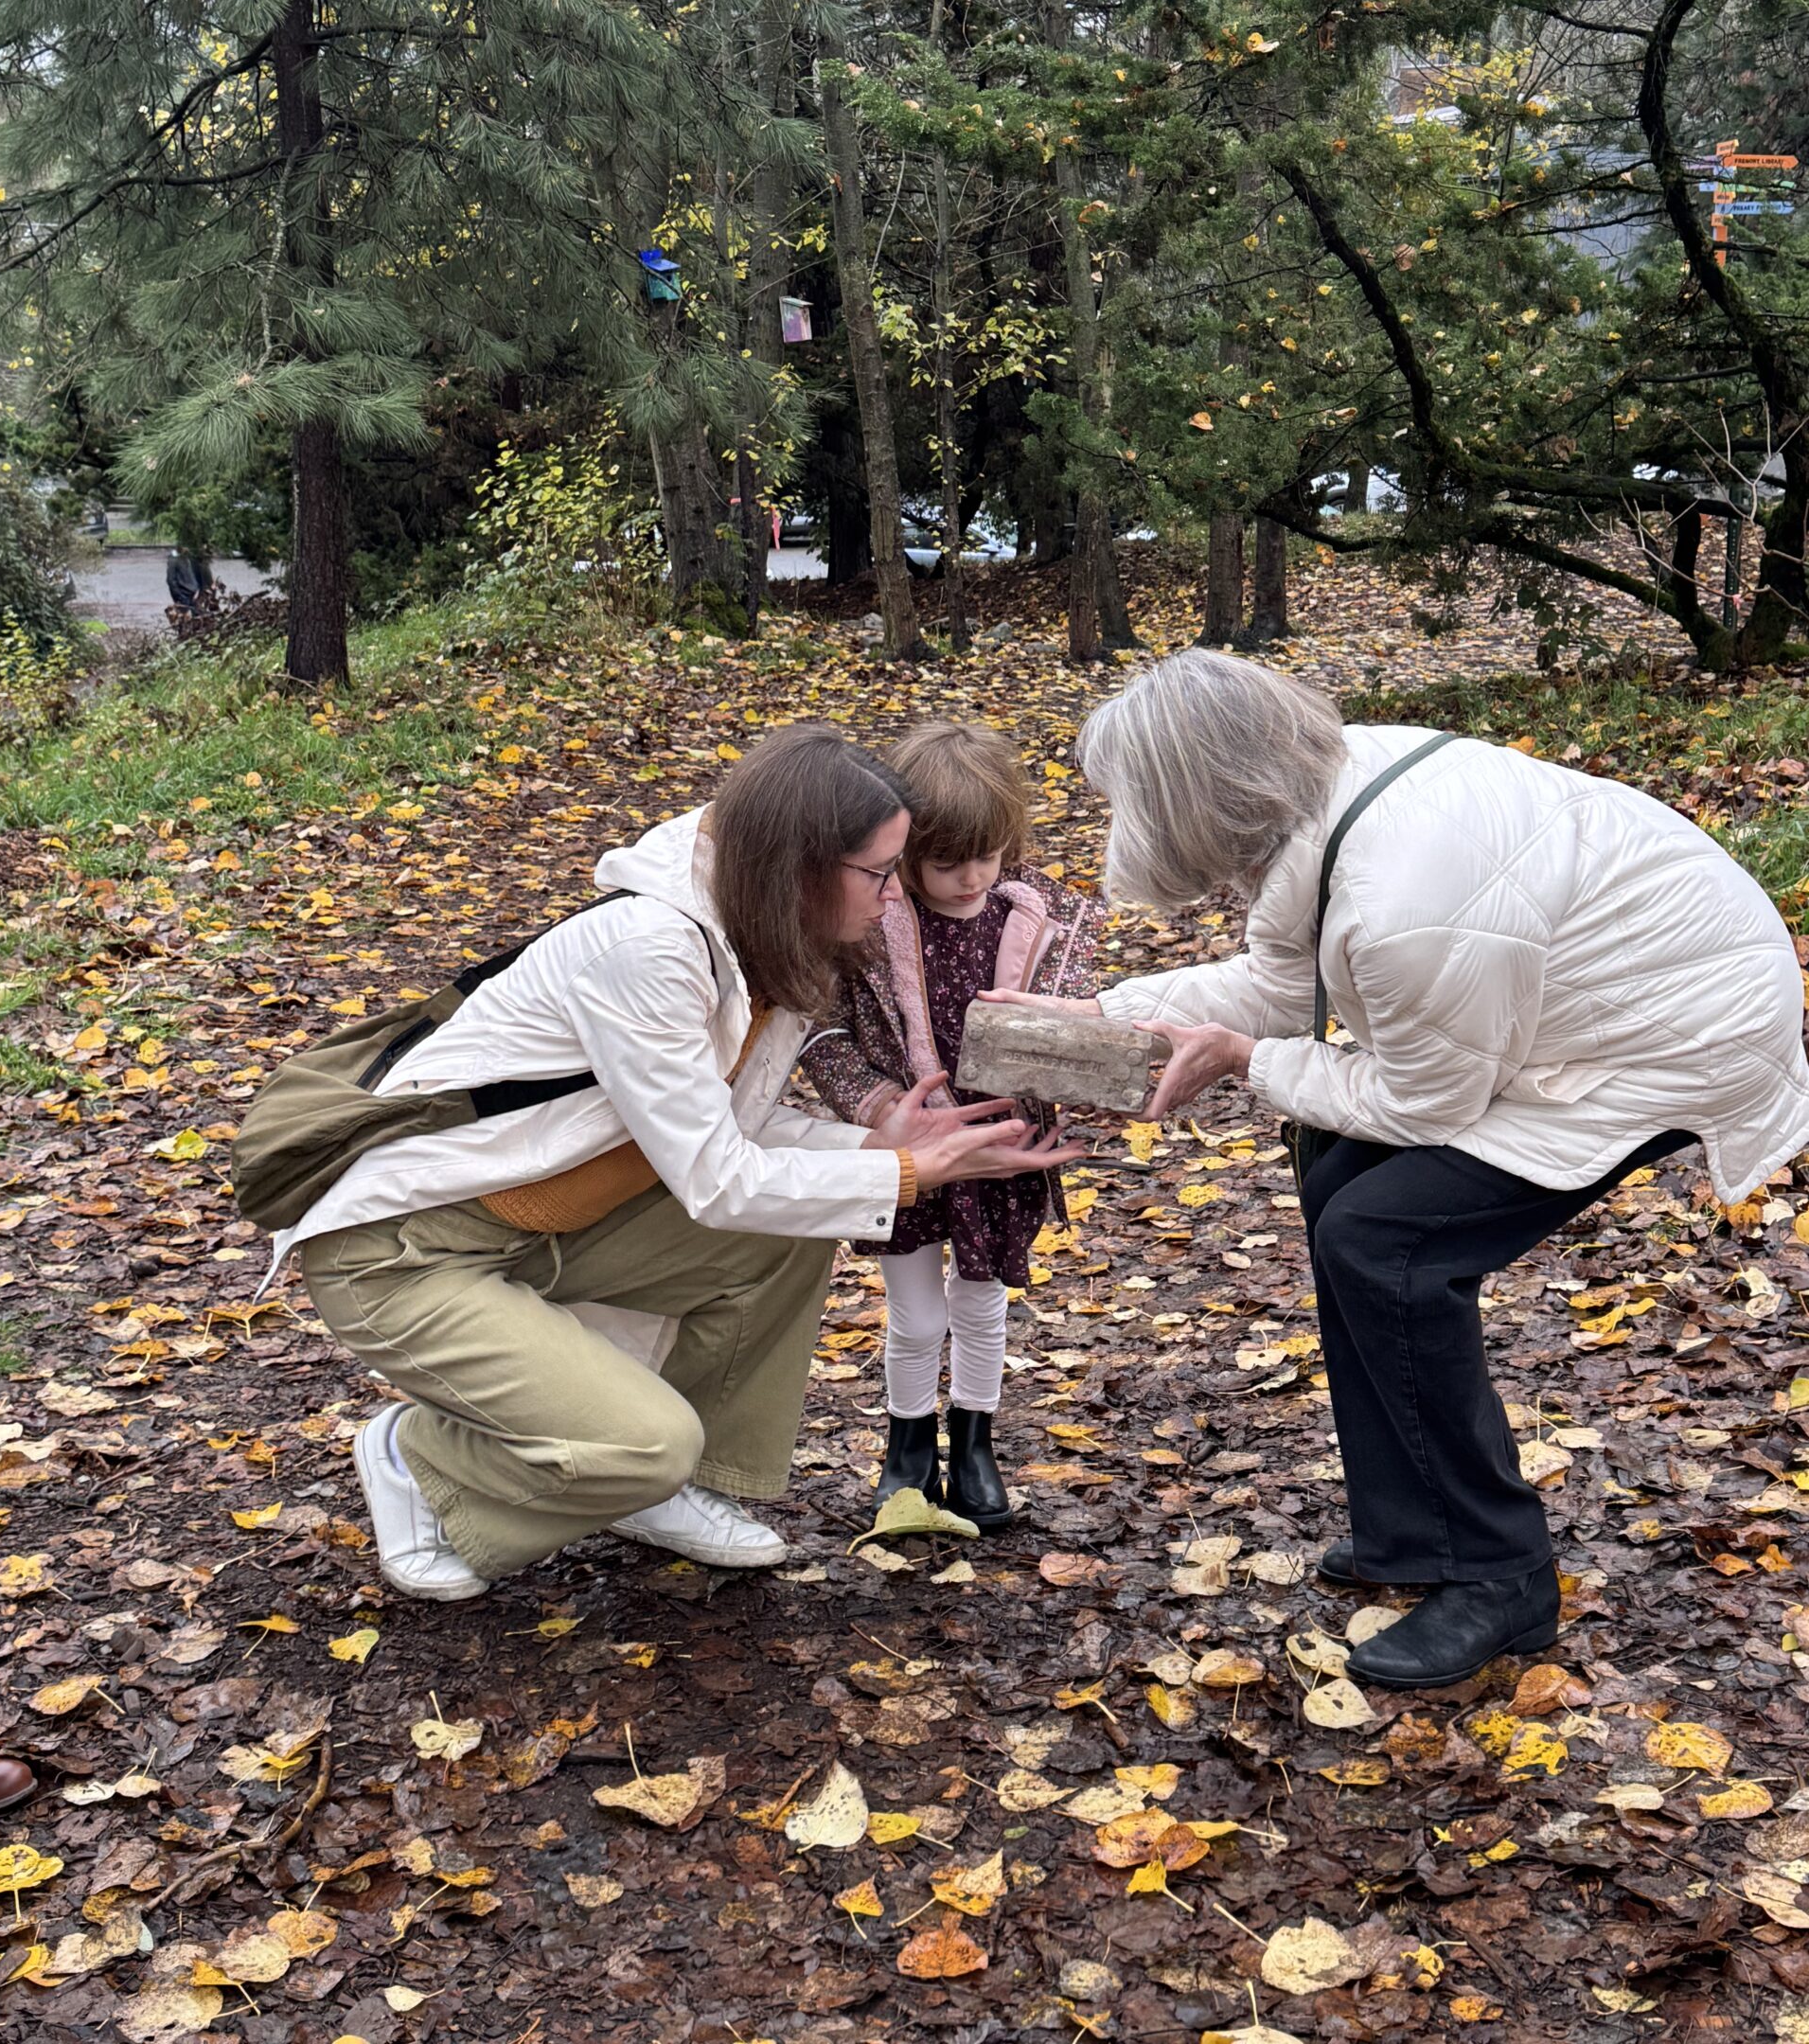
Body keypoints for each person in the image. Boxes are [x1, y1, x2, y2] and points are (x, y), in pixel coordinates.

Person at [992, 650, 1809, 1689]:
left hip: (1667, 1037)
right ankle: (1411, 1531)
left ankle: (1500, 1574)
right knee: (1340, 1177)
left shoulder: (1402, 896)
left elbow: (1427, 1102)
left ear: (1197, 794)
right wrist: (1109, 1014)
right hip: (1578, 1007)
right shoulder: (1329, 790)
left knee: (1388, 1241)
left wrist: (1248, 1062)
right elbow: (1283, 977)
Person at [278, 725, 1081, 1603]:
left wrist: (881, 1146)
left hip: (557, 1223)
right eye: (880, 874)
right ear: (801, 867)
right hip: (404, 1252)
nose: (895, 898)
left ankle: (673, 1490)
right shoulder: (651, 951)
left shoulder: (767, 932)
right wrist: (902, 1174)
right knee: (643, 1442)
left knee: (794, 1231)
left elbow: (736, 1128)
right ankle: (423, 1462)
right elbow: (716, 1175)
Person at [805, 721, 1099, 1529]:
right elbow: (826, 1038)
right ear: (901, 852)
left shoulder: (1046, 921)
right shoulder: (865, 927)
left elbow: (1086, 1034)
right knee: (917, 1312)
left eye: (989, 855)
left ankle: (975, 1441)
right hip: (911, 1155)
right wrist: (874, 1111)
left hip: (1003, 1152)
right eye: (945, 861)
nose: (971, 878)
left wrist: (1062, 1092)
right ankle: (906, 1448)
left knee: (980, 1302)